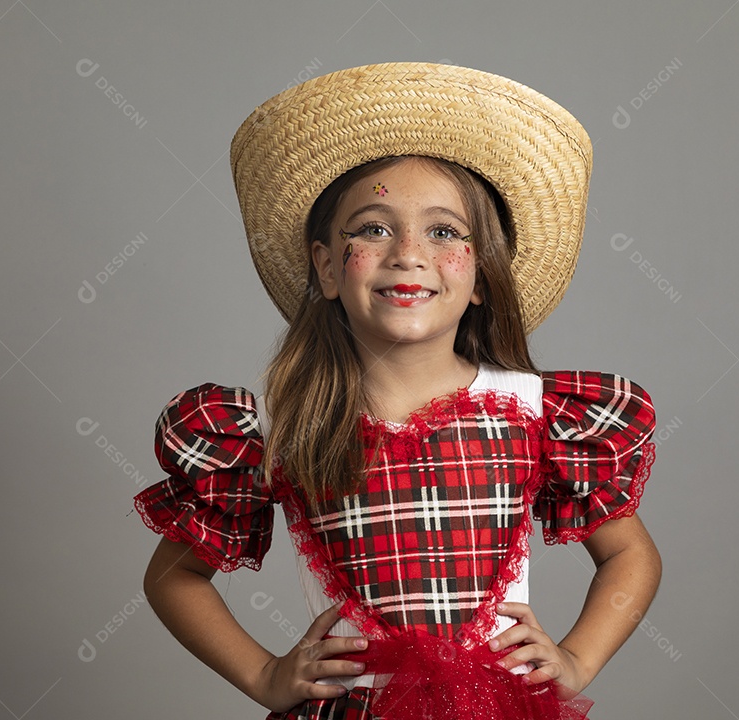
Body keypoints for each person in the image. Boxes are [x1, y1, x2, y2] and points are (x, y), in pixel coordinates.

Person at [134, 62, 661, 720]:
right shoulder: (278, 428)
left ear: (481, 277)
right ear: (328, 267)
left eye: (444, 232)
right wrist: (265, 674)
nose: (407, 253)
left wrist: (577, 659)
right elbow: (174, 577)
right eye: (373, 229)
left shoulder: (537, 414)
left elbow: (630, 555)